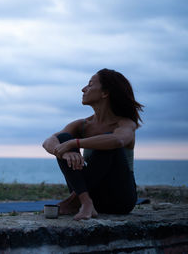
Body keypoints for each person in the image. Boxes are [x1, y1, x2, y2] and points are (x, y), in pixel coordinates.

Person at [42, 68, 144, 221]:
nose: (83, 89)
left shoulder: (125, 124)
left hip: (120, 199)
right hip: (92, 196)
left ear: (105, 93)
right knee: (63, 137)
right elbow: (48, 142)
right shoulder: (83, 125)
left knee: (108, 142)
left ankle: (74, 200)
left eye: (90, 85)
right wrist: (65, 151)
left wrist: (75, 143)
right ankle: (84, 201)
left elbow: (118, 140)